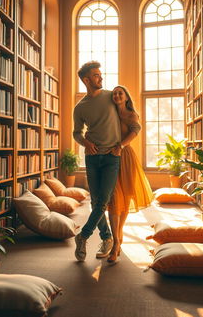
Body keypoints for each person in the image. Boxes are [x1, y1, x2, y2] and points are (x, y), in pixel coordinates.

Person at [73, 61, 122, 262]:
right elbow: (76, 133)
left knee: (102, 201)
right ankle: (106, 237)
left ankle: (83, 236)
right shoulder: (80, 107)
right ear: (86, 80)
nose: (100, 78)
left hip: (112, 157)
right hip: (92, 158)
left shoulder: (112, 96)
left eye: (100, 74)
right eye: (96, 75)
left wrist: (124, 144)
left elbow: (129, 116)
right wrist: (84, 142)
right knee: (96, 202)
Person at [107, 85, 154, 263]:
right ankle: (116, 241)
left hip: (125, 157)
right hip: (110, 157)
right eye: (114, 94)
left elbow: (135, 131)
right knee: (113, 198)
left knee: (125, 199)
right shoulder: (109, 112)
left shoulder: (131, 114)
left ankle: (117, 238)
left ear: (126, 97)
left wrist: (121, 146)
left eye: (120, 93)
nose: (117, 95)